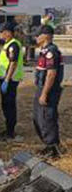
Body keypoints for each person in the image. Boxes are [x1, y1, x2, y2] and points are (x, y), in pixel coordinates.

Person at [33, 25, 65, 159]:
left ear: (46, 36)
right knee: (39, 117)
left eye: (38, 35)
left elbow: (51, 74)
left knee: (47, 118)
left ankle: (53, 148)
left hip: (49, 89)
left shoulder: (51, 52)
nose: (35, 37)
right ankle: (48, 144)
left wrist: (44, 93)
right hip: (42, 87)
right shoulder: (44, 51)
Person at [0, 22, 24, 142]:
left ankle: (10, 132)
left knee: (9, 105)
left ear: (8, 33)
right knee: (5, 105)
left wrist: (6, 79)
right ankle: (8, 129)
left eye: (1, 32)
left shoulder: (13, 45)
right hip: (5, 79)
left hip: (10, 80)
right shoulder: (7, 44)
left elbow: (13, 63)